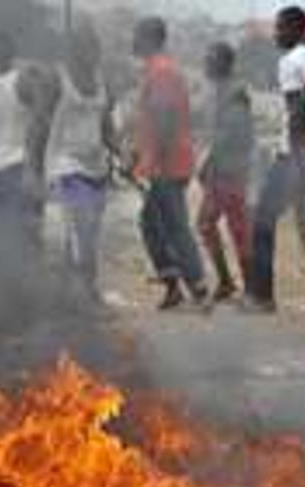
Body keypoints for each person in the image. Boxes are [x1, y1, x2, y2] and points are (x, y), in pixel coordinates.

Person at [132, 16, 209, 309]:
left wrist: (155, 161)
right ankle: (175, 285)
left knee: (174, 225)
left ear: (150, 38)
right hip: (167, 161)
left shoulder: (161, 72)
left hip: (168, 163)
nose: (133, 41)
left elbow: (164, 119)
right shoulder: (159, 70)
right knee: (152, 222)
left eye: (137, 35)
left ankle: (197, 287)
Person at [246, 5, 305, 312]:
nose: (276, 34)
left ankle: (262, 296)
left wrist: (299, 160)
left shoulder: (290, 62)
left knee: (262, 220)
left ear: (296, 30)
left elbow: (297, 113)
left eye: (280, 28)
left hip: (297, 154)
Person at [46, 20, 116, 301]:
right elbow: (40, 123)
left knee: (86, 235)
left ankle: (67, 289)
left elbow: (106, 125)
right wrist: (33, 165)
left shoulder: (102, 82)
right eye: (84, 46)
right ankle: (87, 291)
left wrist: (121, 152)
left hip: (97, 167)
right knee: (82, 229)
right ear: (74, 50)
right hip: (66, 165)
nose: (91, 52)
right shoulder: (57, 79)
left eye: (93, 46)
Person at [0, 32, 45, 260]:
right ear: (12, 53)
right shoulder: (24, 81)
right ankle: (27, 283)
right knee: (24, 232)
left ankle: (11, 285)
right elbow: (39, 124)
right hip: (19, 164)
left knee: (0, 231)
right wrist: (33, 168)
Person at [198, 42, 255, 303]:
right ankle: (232, 283)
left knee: (225, 227)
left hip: (229, 171)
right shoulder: (222, 90)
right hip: (226, 171)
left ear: (224, 63)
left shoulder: (234, 92)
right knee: (222, 226)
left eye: (211, 58)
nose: (206, 63)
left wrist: (209, 161)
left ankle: (240, 285)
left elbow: (232, 134)